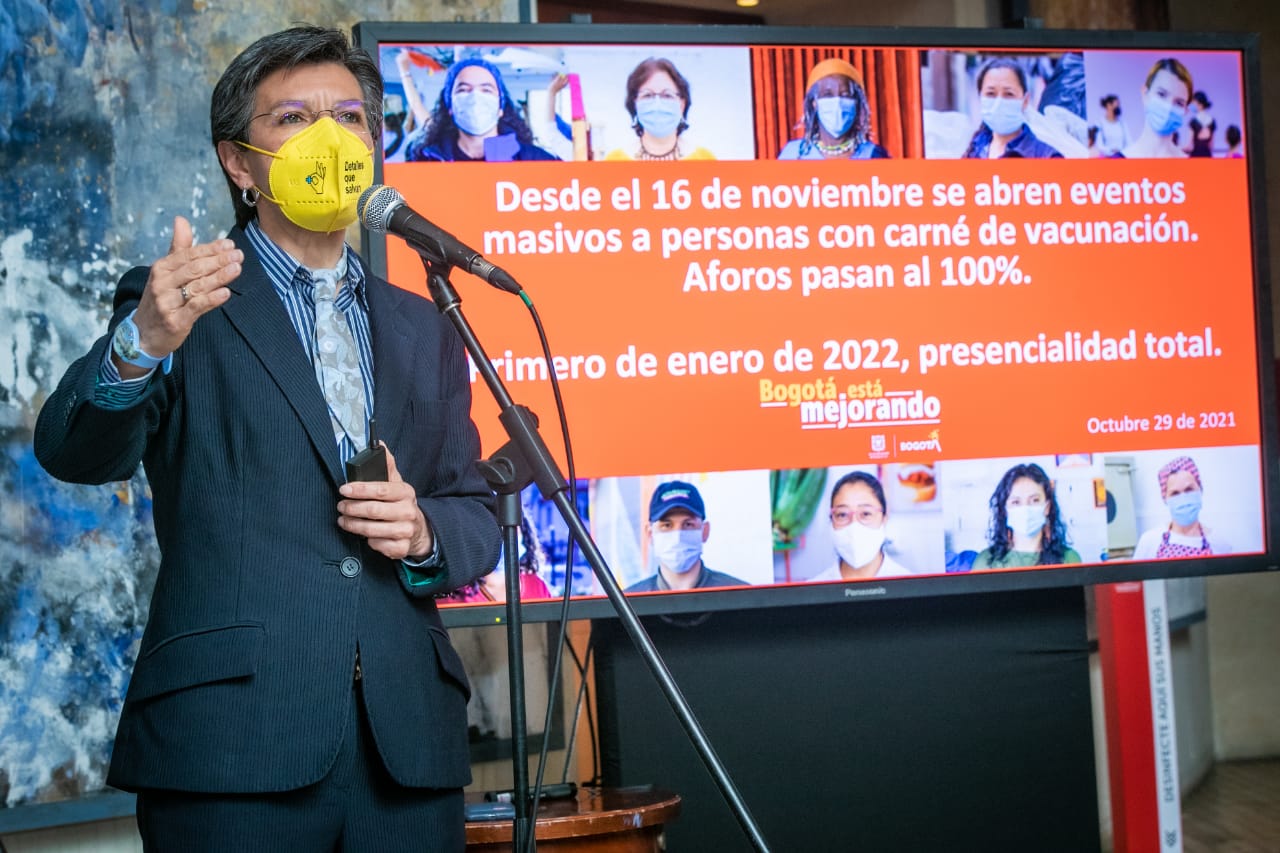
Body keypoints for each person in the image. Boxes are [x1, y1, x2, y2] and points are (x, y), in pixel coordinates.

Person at [32, 27, 500, 851]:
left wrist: (425, 530)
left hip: (408, 749)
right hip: (231, 746)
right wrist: (139, 342)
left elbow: (474, 510)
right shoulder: (178, 304)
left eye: (350, 115)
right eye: (293, 117)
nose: (330, 136)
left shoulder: (424, 324)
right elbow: (75, 451)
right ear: (239, 164)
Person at [404, 57, 557, 162]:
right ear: (450, 106)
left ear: (500, 108)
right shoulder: (428, 160)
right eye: (464, 89)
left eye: (486, 90)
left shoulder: (535, 160)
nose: (475, 98)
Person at [625, 480, 745, 592]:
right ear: (650, 534)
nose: (678, 536)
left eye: (688, 524)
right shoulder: (626, 604)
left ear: (705, 531)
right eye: (667, 525)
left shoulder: (741, 596)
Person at [972, 463, 1081, 570]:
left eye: (1034, 500)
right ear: (1004, 510)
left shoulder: (1068, 559)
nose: (1025, 508)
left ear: (1047, 507)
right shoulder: (986, 562)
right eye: (1016, 502)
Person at [605, 57, 714, 161]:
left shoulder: (704, 159)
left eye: (667, 95)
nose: (657, 104)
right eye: (648, 95)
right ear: (634, 104)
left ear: (682, 104)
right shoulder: (615, 161)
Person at [810, 471, 912, 581]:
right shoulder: (813, 591)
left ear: (884, 518)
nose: (854, 526)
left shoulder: (912, 587)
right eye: (842, 514)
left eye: (866, 514)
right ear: (831, 520)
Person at [778, 58, 888, 160]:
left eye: (845, 95)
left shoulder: (874, 155)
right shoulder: (793, 154)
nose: (837, 102)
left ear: (856, 103)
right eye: (828, 95)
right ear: (814, 103)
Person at [961, 57, 1062, 159]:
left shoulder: (1047, 157)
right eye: (990, 94)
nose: (999, 103)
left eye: (1009, 94)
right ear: (980, 98)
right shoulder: (974, 150)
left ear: (1025, 101)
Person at [1133, 456, 1231, 559]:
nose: (1183, 498)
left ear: (1200, 489)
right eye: (1175, 493)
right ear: (1165, 498)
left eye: (1189, 489)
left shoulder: (1220, 545)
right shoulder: (1150, 541)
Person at [1121, 57, 1193, 159]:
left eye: (1179, 103)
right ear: (1145, 94)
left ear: (1185, 111)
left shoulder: (1192, 167)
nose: (1168, 108)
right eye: (1161, 94)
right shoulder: (1115, 163)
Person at [1186, 90, 1216, 157]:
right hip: (1207, 156)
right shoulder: (1212, 121)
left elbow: (1190, 146)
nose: (1191, 106)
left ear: (1200, 105)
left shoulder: (1193, 121)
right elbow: (1211, 145)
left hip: (1195, 156)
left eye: (1193, 103)